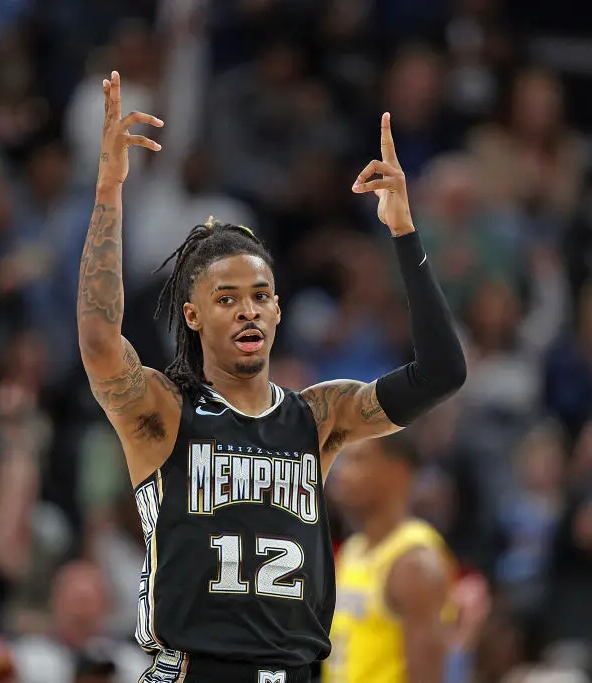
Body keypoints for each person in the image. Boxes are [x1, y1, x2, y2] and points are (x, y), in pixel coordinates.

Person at [76, 70, 466, 683]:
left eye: (260, 295)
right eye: (226, 298)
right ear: (194, 316)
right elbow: (100, 340)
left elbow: (442, 373)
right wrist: (108, 193)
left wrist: (403, 232)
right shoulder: (164, 410)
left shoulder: (319, 418)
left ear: (279, 311)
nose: (248, 309)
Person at [323, 433, 458, 683]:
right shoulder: (353, 550)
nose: (341, 472)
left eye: (357, 460)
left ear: (398, 472)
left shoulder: (414, 564)